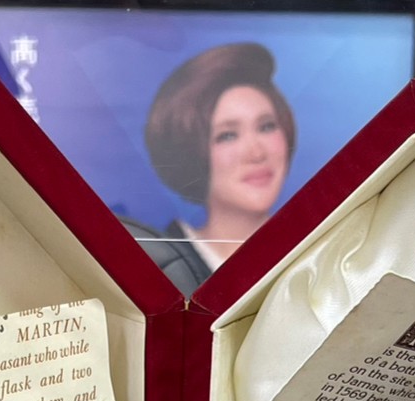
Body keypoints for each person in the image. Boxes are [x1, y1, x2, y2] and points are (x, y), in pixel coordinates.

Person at [126, 42, 297, 291]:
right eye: (227, 135)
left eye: (266, 126)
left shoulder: (322, 253)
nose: (256, 153)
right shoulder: (155, 274)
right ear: (190, 152)